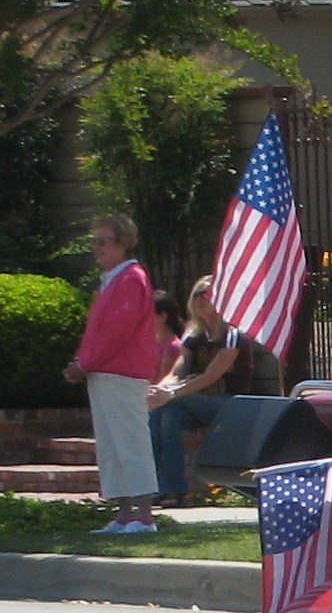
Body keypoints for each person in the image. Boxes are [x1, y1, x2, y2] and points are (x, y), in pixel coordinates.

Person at [62, 216, 159, 534]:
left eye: (103, 240)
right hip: (105, 373)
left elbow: (118, 329)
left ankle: (144, 517)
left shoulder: (131, 278)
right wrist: (84, 360)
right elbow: (101, 331)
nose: (96, 247)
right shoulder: (114, 279)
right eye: (95, 241)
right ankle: (124, 514)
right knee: (111, 445)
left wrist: (85, 363)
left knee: (130, 443)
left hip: (122, 373)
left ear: (123, 243)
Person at [147, 276, 253, 505]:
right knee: (165, 417)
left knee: (169, 404)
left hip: (230, 404)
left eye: (208, 295)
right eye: (197, 294)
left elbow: (210, 377)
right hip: (196, 401)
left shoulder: (233, 335)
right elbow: (178, 370)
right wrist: (161, 389)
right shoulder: (193, 334)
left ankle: (159, 487)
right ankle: (168, 490)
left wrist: (171, 394)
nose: (201, 300)